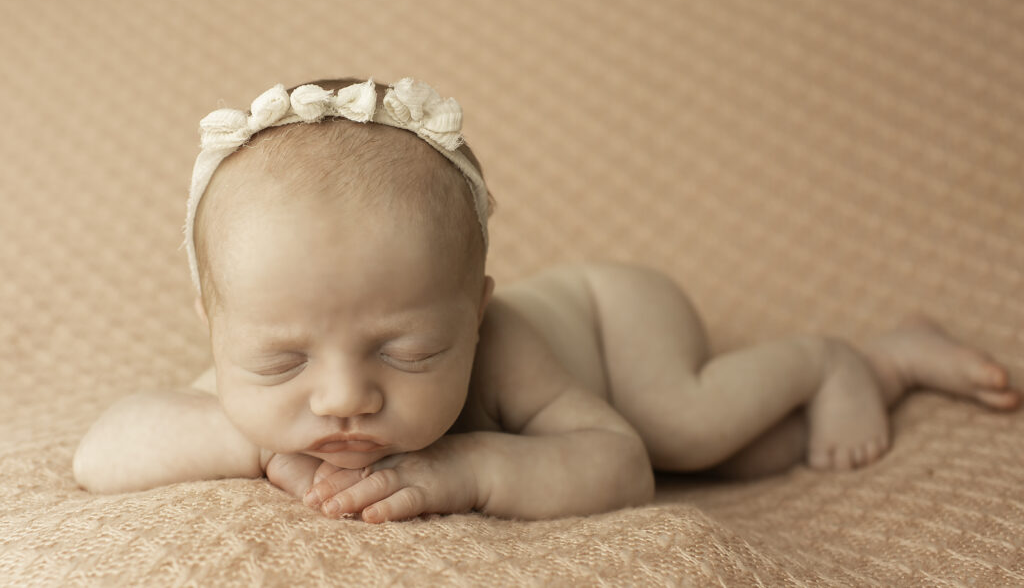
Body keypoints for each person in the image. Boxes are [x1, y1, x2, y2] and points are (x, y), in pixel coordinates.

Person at [73, 76, 1021, 523]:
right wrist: (253, 436)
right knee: (764, 454)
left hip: (616, 317)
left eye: (407, 352)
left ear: (475, 313)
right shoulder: (271, 365)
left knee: (681, 431)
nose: (341, 399)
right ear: (218, 323)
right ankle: (898, 358)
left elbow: (620, 464)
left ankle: (834, 356)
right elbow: (100, 453)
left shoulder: (509, 344)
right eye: (281, 362)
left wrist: (469, 472)